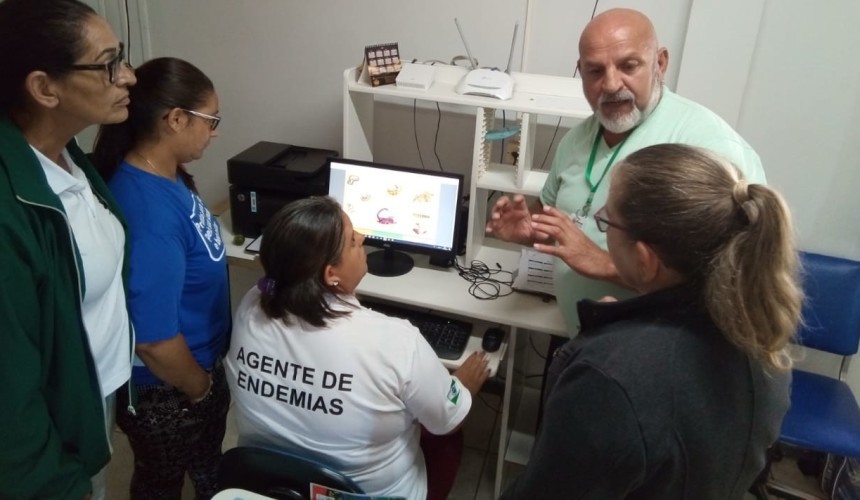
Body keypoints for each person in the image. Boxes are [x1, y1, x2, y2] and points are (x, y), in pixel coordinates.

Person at [500, 144, 802, 499]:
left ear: (645, 259)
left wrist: (602, 350)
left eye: (606, 219)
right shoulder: (765, 340)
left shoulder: (609, 379)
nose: (601, 224)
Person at [486, 8, 767, 331]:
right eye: (594, 71)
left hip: (654, 359)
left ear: (659, 63)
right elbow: (556, 214)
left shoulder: (708, 147)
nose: (610, 83)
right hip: (584, 337)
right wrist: (529, 230)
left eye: (628, 65)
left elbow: (731, 287)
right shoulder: (575, 140)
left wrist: (603, 263)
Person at [225, 196, 491, 500]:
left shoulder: (250, 306)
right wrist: (462, 387)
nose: (363, 238)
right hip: (364, 495)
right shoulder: (396, 341)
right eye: (353, 241)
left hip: (268, 483)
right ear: (330, 275)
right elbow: (446, 420)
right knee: (447, 435)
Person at [0, 0, 137, 498]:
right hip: (50, 442)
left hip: (90, 397)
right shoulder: (10, 216)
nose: (129, 77)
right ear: (44, 88)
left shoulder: (65, 151)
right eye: (108, 65)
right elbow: (10, 400)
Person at [92, 57, 230, 499]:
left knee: (209, 467)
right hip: (169, 390)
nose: (215, 132)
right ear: (175, 119)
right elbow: (153, 340)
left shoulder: (168, 175)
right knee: (161, 484)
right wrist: (202, 387)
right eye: (211, 120)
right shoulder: (147, 211)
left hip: (194, 370)